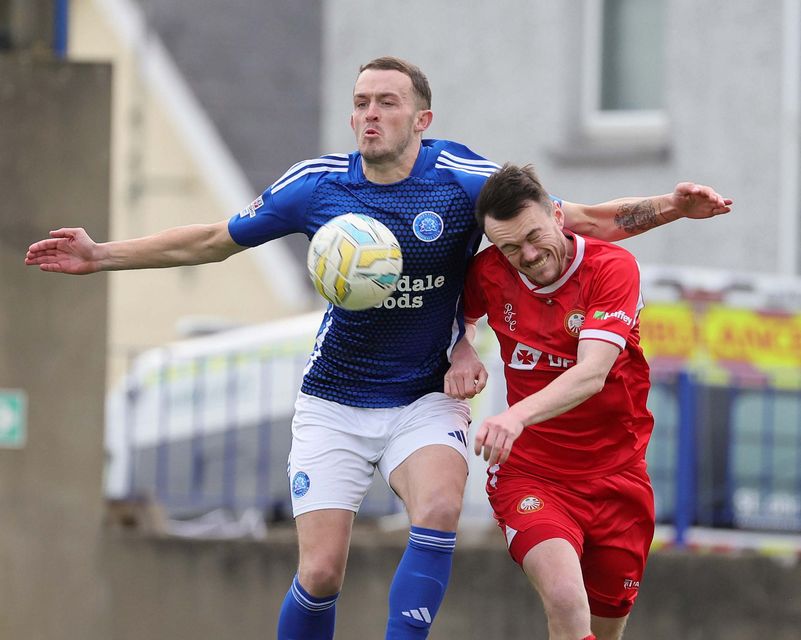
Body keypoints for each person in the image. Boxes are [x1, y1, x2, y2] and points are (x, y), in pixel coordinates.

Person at [25, 57, 731, 640]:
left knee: (438, 510)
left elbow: (575, 221)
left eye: (387, 102)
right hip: (333, 399)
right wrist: (101, 255)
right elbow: (213, 239)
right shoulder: (315, 188)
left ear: (420, 119)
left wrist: (671, 206)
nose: (370, 113)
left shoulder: (462, 177)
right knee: (321, 573)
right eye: (360, 101)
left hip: (423, 399)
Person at [444, 163, 692, 640]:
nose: (530, 255)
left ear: (558, 216)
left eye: (535, 236)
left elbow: (591, 373)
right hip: (530, 474)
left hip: (618, 478)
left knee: (604, 626)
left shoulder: (611, 268)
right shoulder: (490, 273)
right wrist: (463, 350)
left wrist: (515, 414)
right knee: (564, 597)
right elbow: (462, 320)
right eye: (511, 247)